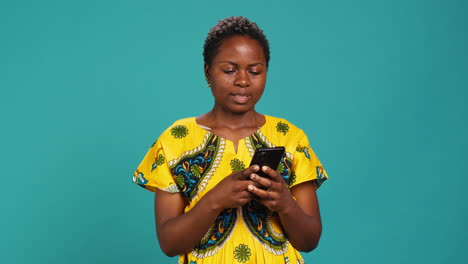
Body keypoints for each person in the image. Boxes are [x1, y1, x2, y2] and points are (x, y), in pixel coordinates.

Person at [133, 16, 328, 264]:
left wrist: (285, 204)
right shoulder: (175, 140)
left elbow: (309, 241)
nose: (243, 81)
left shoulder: (290, 137)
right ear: (207, 72)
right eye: (229, 70)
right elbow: (170, 244)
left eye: (255, 71)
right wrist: (215, 201)